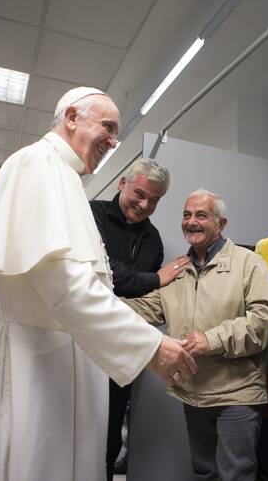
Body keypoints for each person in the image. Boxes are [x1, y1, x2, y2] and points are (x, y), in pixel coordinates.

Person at [0, 87, 198, 481]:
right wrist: (151, 346)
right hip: (29, 364)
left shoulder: (62, 175)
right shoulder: (39, 165)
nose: (114, 141)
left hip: (51, 358)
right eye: (108, 127)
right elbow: (64, 283)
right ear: (72, 117)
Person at [125, 189, 268, 481]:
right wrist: (95, 305)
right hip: (193, 394)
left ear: (221, 223)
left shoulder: (248, 264)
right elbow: (150, 307)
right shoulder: (179, 271)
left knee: (235, 474)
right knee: (205, 473)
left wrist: (213, 339)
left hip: (237, 394)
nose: (191, 222)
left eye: (201, 215)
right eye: (186, 215)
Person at [90, 158, 189, 480]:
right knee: (76, 424)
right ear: (123, 183)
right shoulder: (92, 215)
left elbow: (140, 295)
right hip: (80, 340)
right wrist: (155, 279)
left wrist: (148, 284)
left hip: (121, 346)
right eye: (140, 193)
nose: (145, 204)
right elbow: (104, 273)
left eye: (155, 200)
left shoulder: (153, 238)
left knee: (109, 431)